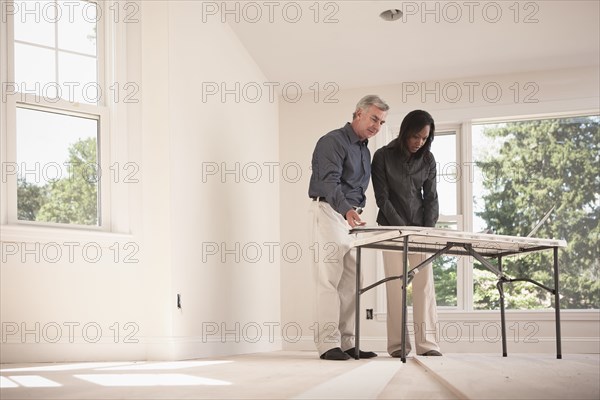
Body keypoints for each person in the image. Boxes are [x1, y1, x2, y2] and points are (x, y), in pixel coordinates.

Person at [308, 95, 389, 360]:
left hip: (351, 219)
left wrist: (355, 211)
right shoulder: (332, 141)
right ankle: (327, 344)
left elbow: (357, 188)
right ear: (358, 114)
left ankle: (347, 343)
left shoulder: (364, 149)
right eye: (374, 118)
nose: (377, 126)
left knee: (354, 281)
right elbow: (329, 182)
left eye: (381, 121)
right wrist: (347, 210)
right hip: (330, 211)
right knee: (329, 280)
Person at [371, 109, 443, 357]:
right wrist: (402, 230)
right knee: (396, 285)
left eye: (424, 138)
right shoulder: (382, 156)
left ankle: (428, 344)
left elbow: (431, 198)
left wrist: (425, 231)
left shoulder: (428, 160)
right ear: (404, 132)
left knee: (423, 286)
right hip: (391, 230)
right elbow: (383, 199)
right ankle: (398, 345)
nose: (418, 143)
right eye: (415, 136)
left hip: (421, 231)